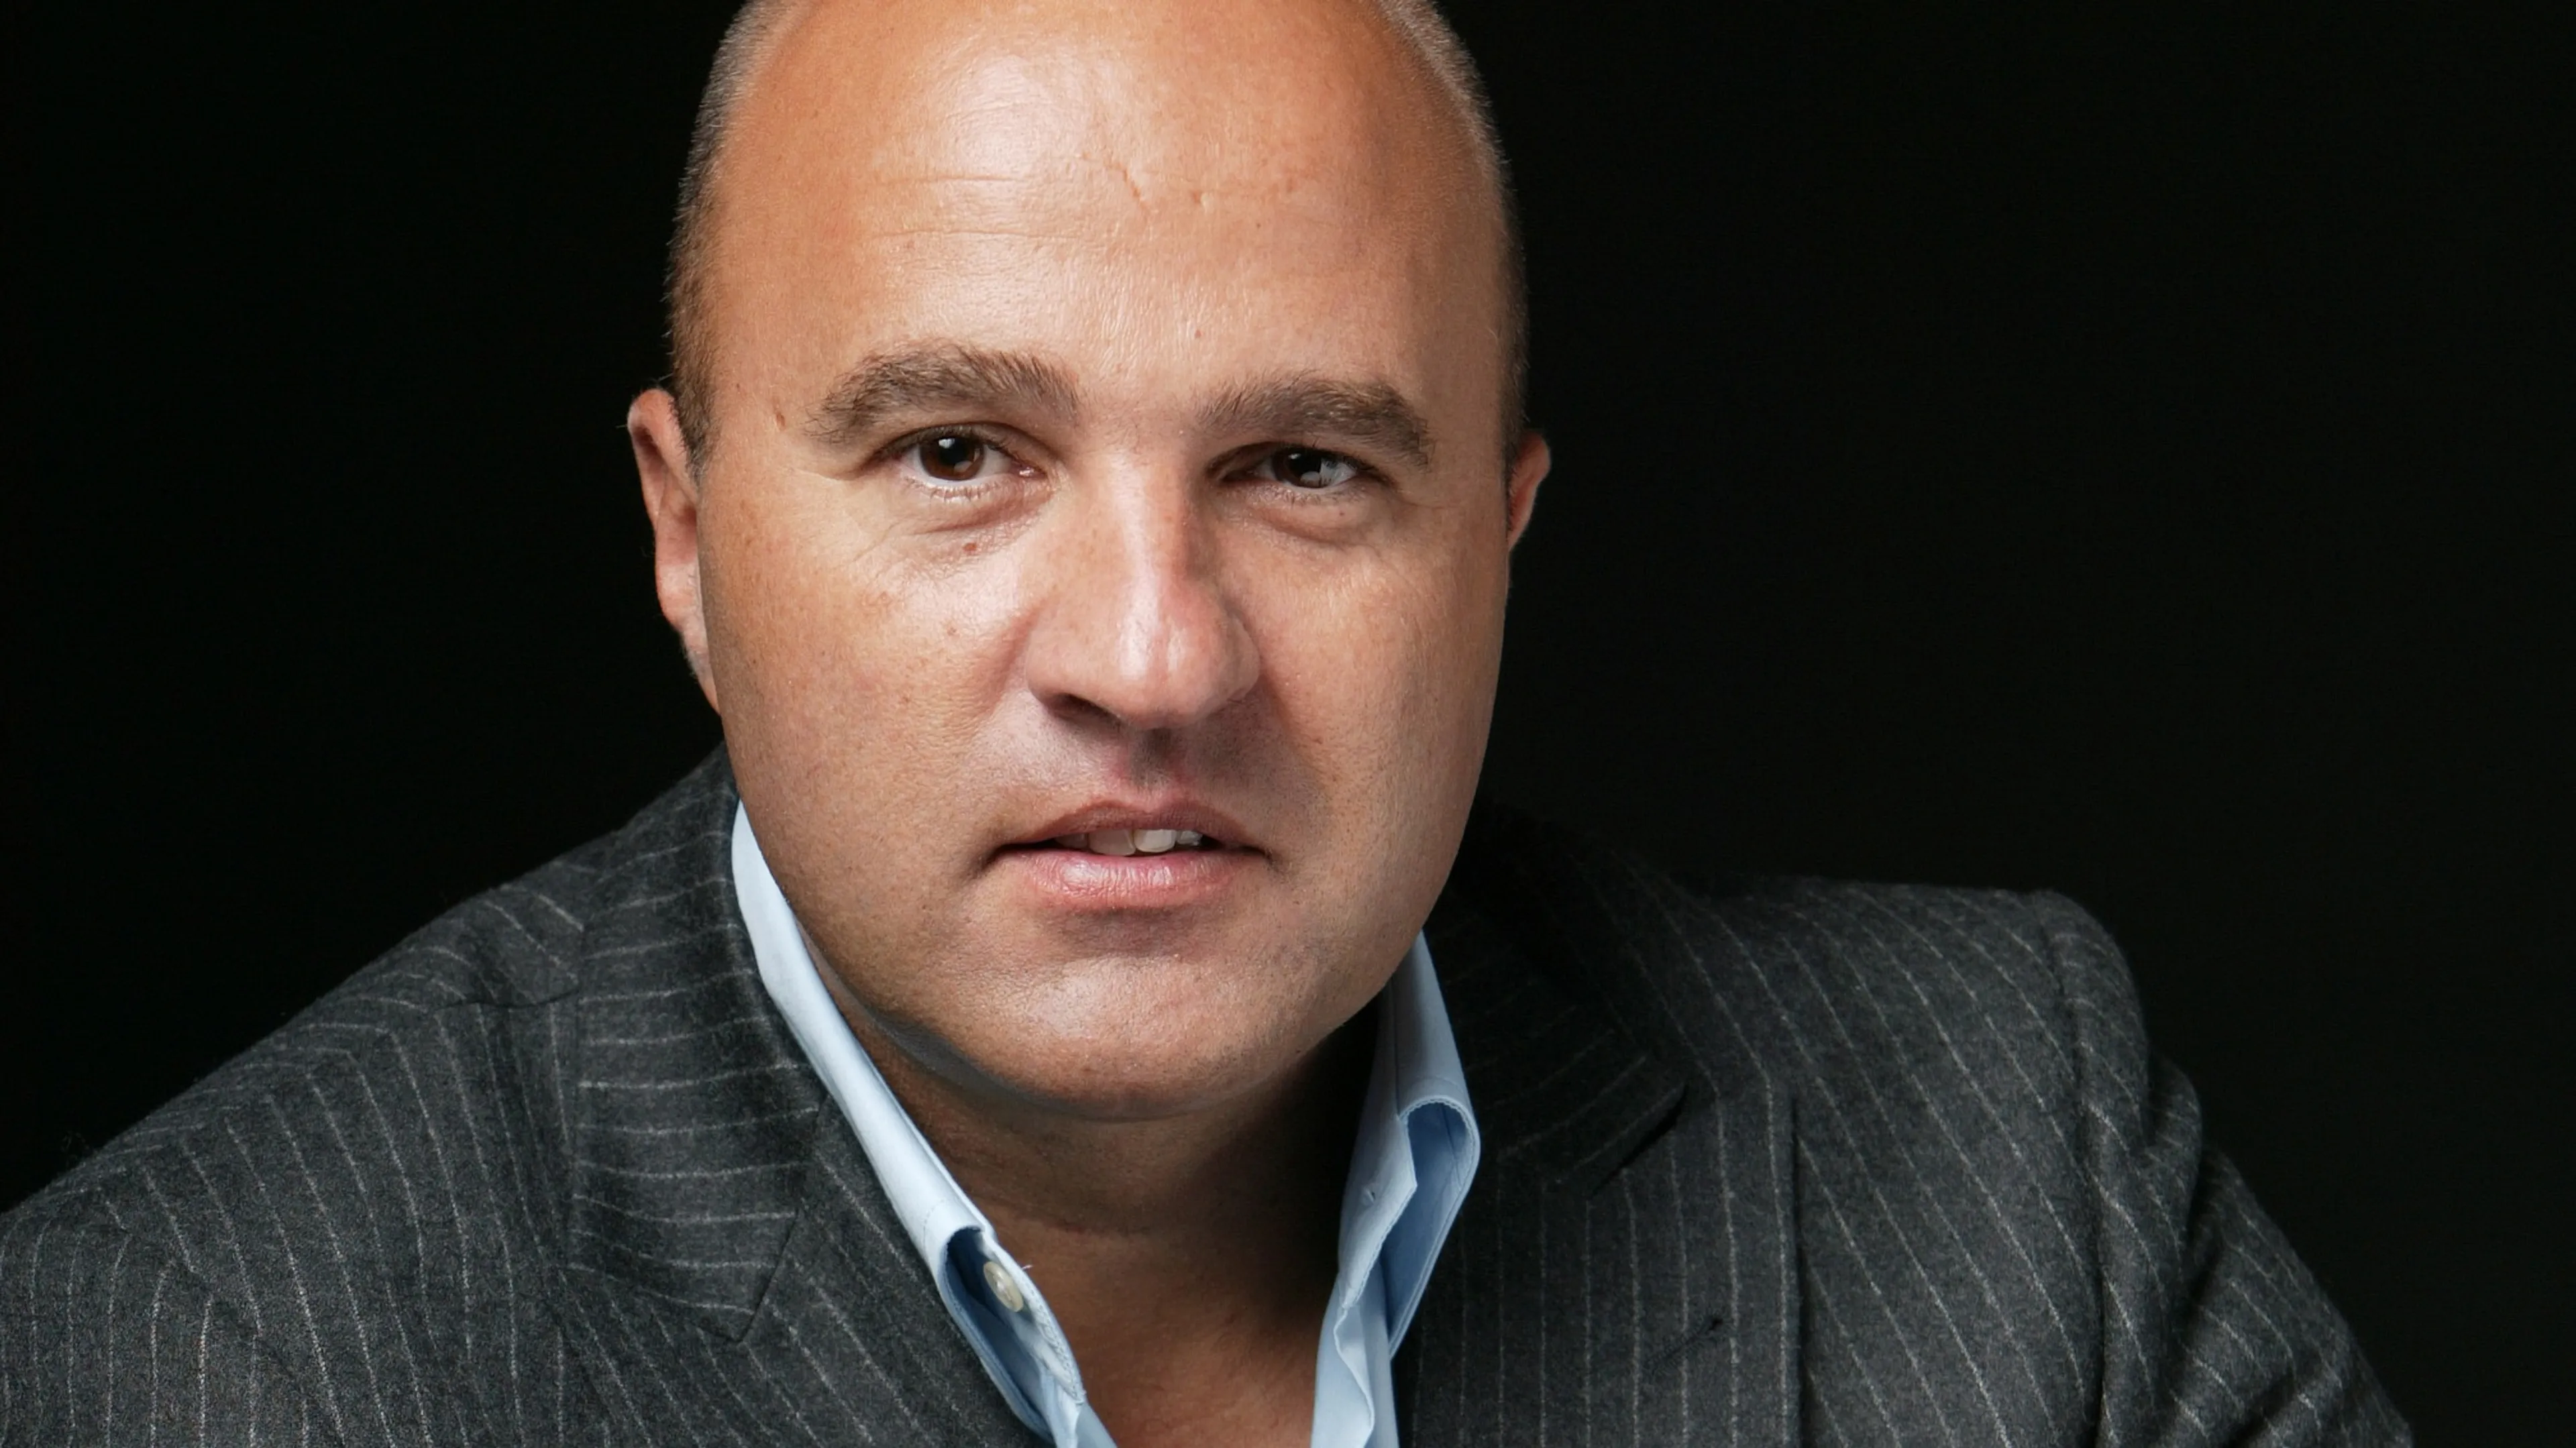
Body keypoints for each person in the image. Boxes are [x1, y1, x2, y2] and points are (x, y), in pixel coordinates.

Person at [0, 0, 2406, 1443]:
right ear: (689, 533)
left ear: (1501, 538)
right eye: (961, 451)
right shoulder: (218, 1359)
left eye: (1305, 467)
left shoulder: (2006, 1160)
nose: (1152, 658)